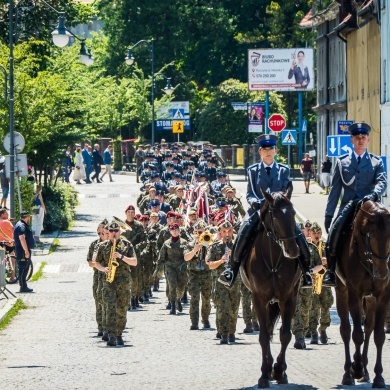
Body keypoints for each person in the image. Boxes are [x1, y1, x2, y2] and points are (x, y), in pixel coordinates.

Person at [218, 134, 312, 288]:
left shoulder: (283, 170)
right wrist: (259, 203)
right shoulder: (253, 170)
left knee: (296, 233)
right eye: (265, 149)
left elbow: (286, 190)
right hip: (259, 210)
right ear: (260, 152)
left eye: (271, 149)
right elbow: (250, 194)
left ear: (275, 151)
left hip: (278, 211)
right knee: (244, 231)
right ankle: (232, 270)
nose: (268, 152)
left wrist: (277, 203)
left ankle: (306, 270)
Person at [324, 122, 387, 286]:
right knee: (334, 234)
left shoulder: (376, 162)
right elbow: (335, 190)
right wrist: (329, 214)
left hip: (371, 208)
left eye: (363, 137)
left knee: (385, 232)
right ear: (352, 140)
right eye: (357, 138)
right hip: (348, 207)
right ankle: (331, 271)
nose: (360, 140)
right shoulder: (341, 162)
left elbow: (382, 182)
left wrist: (374, 194)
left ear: (368, 140)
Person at [93, 220, 137, 346]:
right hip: (109, 281)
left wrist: (121, 257)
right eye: (111, 231)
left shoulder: (127, 245)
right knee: (109, 307)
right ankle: (111, 335)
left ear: (120, 232)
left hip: (123, 281)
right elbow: (95, 262)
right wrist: (103, 268)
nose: (113, 233)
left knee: (122, 309)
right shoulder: (103, 246)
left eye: (116, 231)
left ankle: (119, 334)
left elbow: (134, 262)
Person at [13, 210, 35, 293]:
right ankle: (22, 286)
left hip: (23, 249)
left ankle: (24, 285)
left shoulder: (22, 224)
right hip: (22, 250)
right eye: (29, 217)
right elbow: (22, 238)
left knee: (26, 267)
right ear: (27, 217)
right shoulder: (21, 226)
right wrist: (26, 251)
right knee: (23, 267)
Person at [0, 208, 16, 281]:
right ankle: (12, 277)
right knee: (12, 259)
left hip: (1, 243)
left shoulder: (2, 221)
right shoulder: (7, 222)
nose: (8, 215)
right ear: (2, 214)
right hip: (9, 243)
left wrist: (9, 219)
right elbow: (14, 229)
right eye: (6, 214)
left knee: (3, 258)